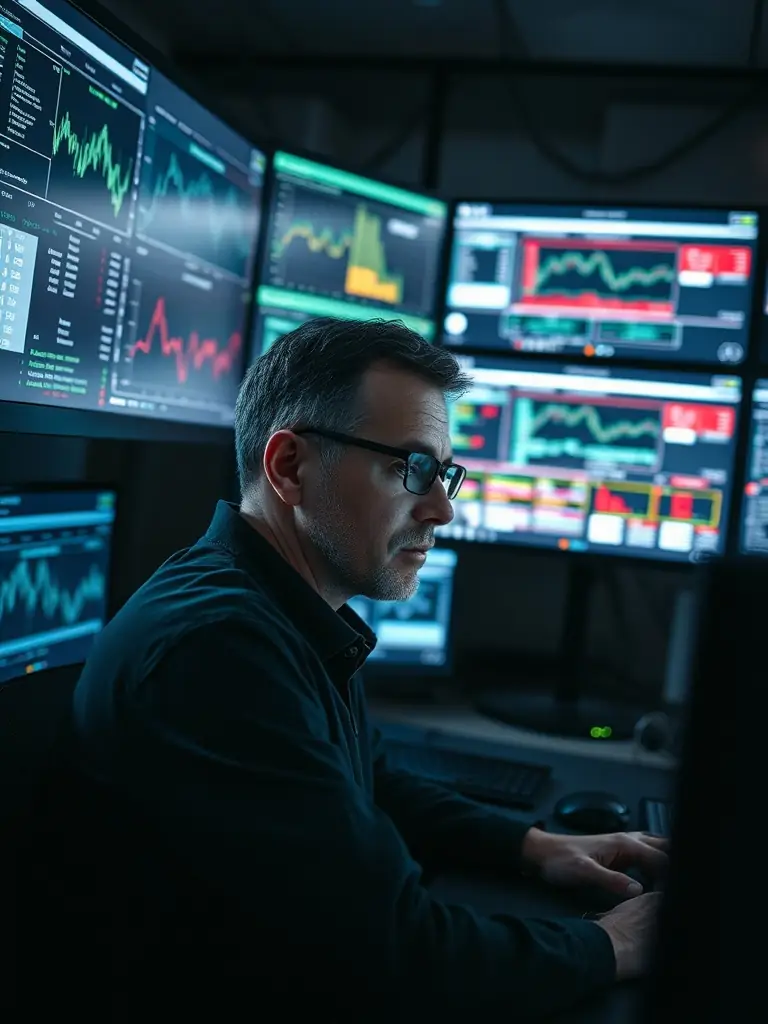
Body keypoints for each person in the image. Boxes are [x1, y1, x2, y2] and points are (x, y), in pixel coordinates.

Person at [72, 317, 666, 1019]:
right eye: (410, 468)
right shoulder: (218, 650)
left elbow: (366, 779)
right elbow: (402, 954)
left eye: (444, 473)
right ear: (289, 466)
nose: (443, 509)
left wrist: (534, 845)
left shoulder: (271, 604)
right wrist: (610, 946)